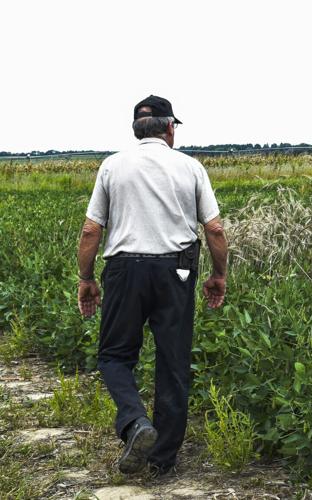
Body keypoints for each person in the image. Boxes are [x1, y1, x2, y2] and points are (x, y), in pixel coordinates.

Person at [76, 95, 229, 476]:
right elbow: (214, 228)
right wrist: (218, 275)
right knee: (173, 362)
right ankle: (162, 461)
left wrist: (87, 278)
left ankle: (134, 422)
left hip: (124, 270)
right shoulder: (190, 168)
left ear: (135, 129)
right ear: (170, 128)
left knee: (114, 356)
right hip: (176, 271)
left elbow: (92, 229)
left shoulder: (112, 167)